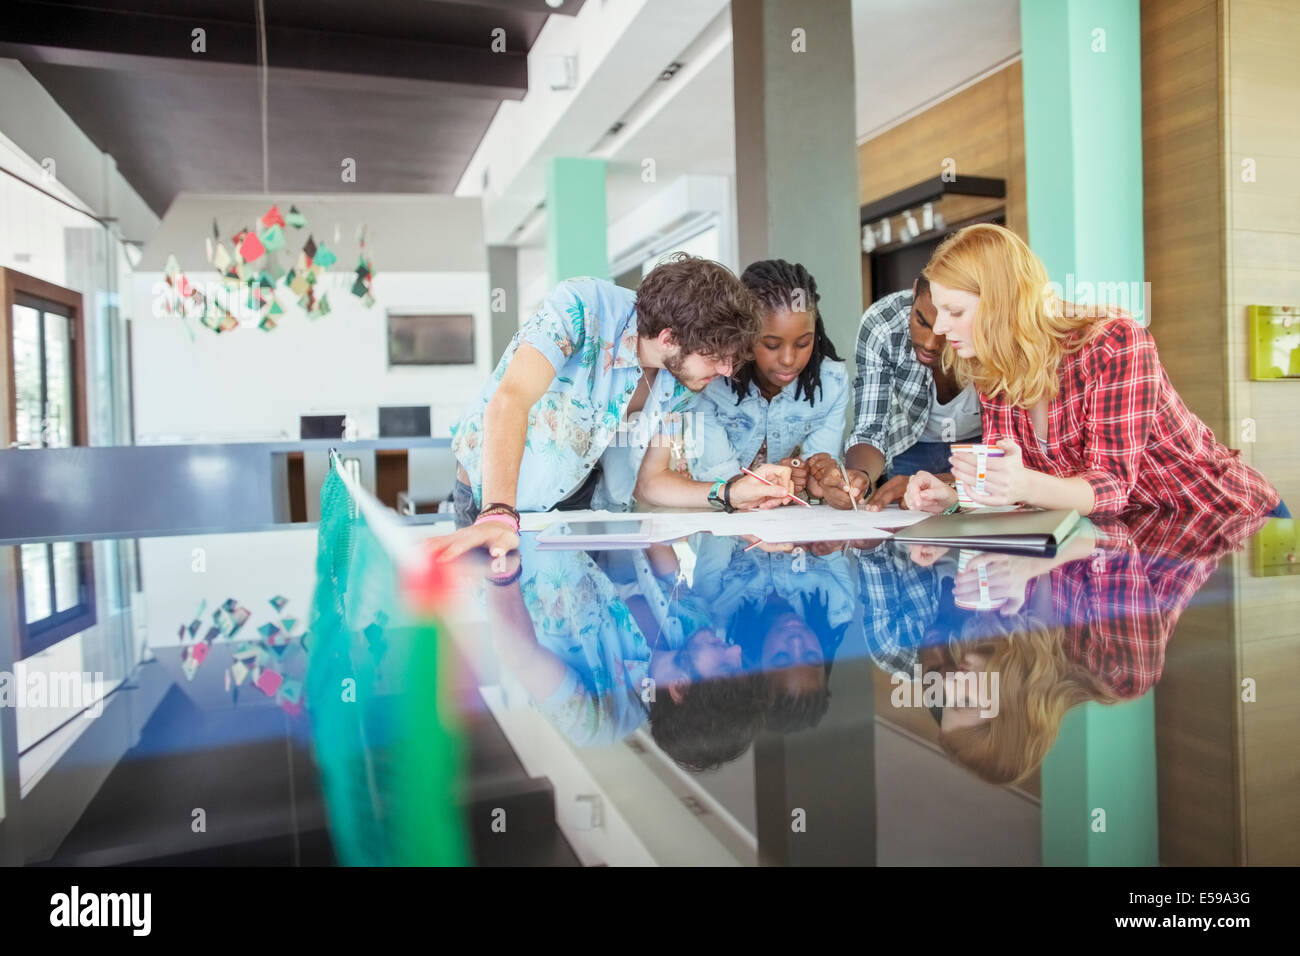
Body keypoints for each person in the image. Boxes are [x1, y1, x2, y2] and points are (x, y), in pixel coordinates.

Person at [900, 223, 1285, 518]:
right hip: (1138, 533)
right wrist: (956, 498)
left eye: (955, 312)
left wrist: (1023, 484)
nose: (940, 328)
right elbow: (1018, 487)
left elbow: (1111, 486)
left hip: (1228, 521)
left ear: (1002, 304)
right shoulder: (994, 371)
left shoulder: (1113, 343)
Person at [428, 256, 796, 563]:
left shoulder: (684, 378)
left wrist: (731, 492)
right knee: (506, 615)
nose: (728, 371)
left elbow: (651, 482)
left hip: (578, 500)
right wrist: (497, 512)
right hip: (496, 496)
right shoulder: (581, 307)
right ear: (668, 338)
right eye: (716, 357)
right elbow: (511, 400)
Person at [640, 259, 849, 505]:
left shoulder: (831, 382)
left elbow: (818, 479)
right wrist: (764, 486)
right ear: (745, 335)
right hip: (702, 508)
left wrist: (811, 477)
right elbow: (719, 478)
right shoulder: (708, 378)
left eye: (803, 343)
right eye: (771, 345)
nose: (788, 359)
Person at [808, 275, 982, 511]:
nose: (930, 343)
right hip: (912, 442)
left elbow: (1008, 467)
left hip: (983, 448)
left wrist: (945, 483)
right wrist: (857, 477)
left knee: (984, 516)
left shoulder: (993, 332)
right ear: (914, 292)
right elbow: (871, 429)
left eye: (944, 331)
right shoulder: (884, 323)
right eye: (921, 321)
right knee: (910, 517)